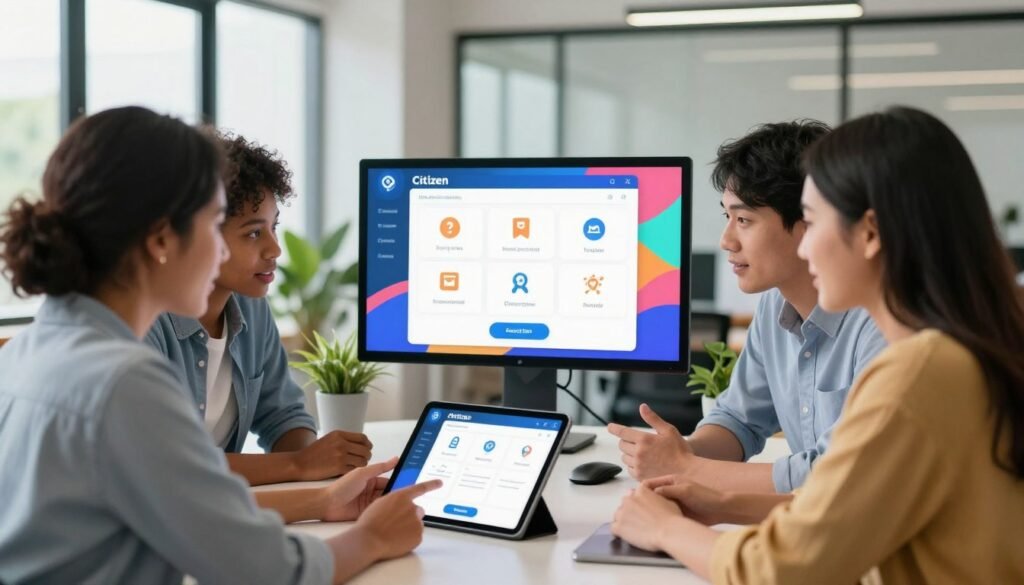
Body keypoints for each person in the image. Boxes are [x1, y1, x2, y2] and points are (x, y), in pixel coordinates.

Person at [0, 106, 440, 585]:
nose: (221, 252)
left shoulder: (28, 352)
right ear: (161, 239)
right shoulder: (125, 382)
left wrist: (322, 499)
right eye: (214, 226)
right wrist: (372, 537)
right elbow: (268, 572)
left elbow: (185, 506)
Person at [611, 106, 1024, 583]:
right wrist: (723, 503)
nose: (806, 248)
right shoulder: (954, 349)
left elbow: (783, 570)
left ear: (870, 233)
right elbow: (859, 509)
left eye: (812, 221)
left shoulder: (918, 372)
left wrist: (665, 530)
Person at [609, 121, 886, 493]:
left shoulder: (882, 322)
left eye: (744, 220)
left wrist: (690, 470)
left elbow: (838, 475)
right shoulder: (775, 304)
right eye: (728, 217)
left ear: (810, 221)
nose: (726, 240)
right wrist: (683, 453)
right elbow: (739, 419)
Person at [146, 131, 370, 486]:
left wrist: (324, 465)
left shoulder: (251, 307)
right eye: (253, 233)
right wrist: (299, 465)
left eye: (273, 227)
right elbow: (167, 464)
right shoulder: (145, 323)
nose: (275, 249)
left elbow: (283, 416)